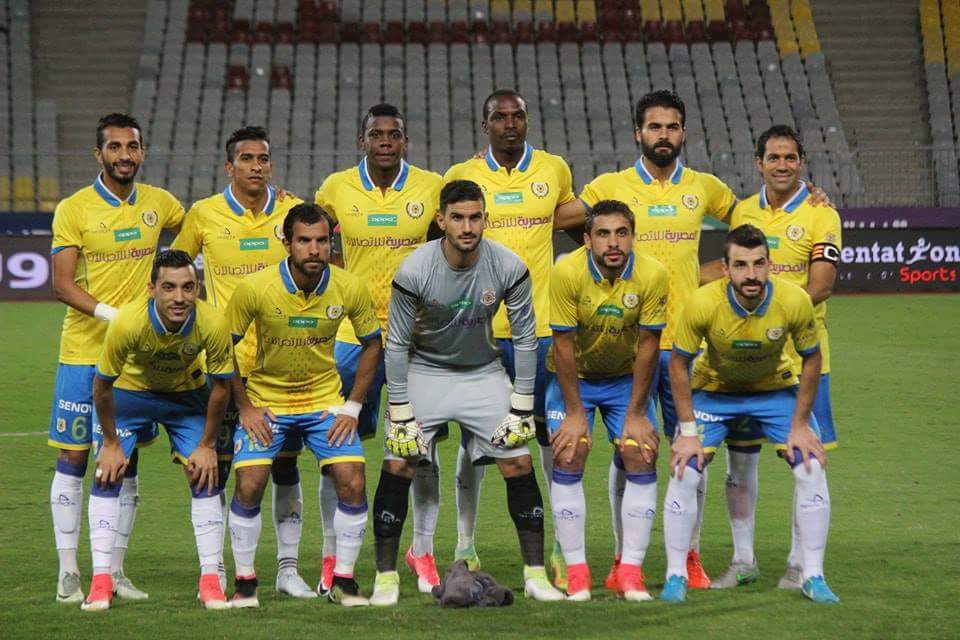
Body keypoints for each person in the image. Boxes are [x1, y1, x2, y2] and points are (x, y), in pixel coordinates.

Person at [369, 180, 564, 606]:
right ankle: (385, 578)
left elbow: (526, 338)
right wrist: (399, 407)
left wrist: (521, 405)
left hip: (483, 373)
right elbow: (396, 344)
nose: (467, 226)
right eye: (457, 217)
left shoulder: (508, 266)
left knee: (518, 461)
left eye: (475, 217)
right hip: (426, 370)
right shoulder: (414, 270)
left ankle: (535, 575)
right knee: (399, 462)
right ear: (441, 220)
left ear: (486, 219)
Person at [444, 90, 581, 588]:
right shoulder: (462, 175)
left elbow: (576, 224)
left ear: (527, 121)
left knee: (547, 438)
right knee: (475, 442)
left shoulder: (553, 169)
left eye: (517, 115)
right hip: (478, 332)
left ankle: (562, 545)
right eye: (499, 117)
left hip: (537, 331)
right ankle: (465, 542)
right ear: (485, 124)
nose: (509, 123)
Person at [661, 224, 838, 604]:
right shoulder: (702, 302)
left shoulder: (793, 300)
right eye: (741, 265)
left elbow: (812, 358)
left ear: (770, 265)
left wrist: (800, 425)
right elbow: (678, 363)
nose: (752, 274)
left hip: (774, 390)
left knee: (810, 466)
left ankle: (813, 575)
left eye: (759, 264)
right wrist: (688, 431)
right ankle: (675, 576)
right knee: (684, 470)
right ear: (725, 269)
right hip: (714, 392)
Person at [172, 125, 313, 597]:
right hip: (222, 363)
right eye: (247, 159)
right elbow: (175, 270)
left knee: (285, 466)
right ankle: (214, 570)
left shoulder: (292, 211)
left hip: (282, 364)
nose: (257, 166)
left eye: (263, 158)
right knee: (216, 466)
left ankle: (288, 570)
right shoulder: (203, 214)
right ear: (229, 166)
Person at [49, 113, 184, 603]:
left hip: (136, 359)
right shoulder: (74, 209)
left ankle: (115, 569)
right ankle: (68, 571)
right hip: (83, 352)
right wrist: (114, 315)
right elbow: (61, 284)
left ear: (142, 152)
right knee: (72, 457)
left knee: (125, 460)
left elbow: (199, 229)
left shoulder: (160, 203)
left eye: (132, 147)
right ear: (99, 154)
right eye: (115, 147)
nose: (124, 155)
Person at [225, 203, 381, 608]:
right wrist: (245, 407)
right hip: (268, 402)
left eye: (322, 241)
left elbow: (372, 344)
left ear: (331, 242)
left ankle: (343, 582)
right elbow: (223, 347)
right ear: (287, 243)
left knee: (353, 479)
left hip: (324, 401)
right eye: (304, 241)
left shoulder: (349, 286)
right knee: (250, 483)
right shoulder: (255, 288)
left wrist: (352, 406)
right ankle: (245, 583)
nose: (314, 250)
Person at [314, 103, 444, 594]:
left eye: (394, 134)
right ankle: (331, 556)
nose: (385, 141)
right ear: (362, 141)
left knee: (422, 451)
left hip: (417, 338)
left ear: (405, 141)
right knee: (336, 450)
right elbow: (309, 241)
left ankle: (423, 552)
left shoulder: (431, 187)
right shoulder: (336, 188)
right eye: (377, 134)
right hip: (353, 337)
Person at [709, 124, 842, 590]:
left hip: (804, 359)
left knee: (807, 462)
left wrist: (771, 318)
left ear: (801, 162)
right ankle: (743, 560)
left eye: (790, 157)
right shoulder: (743, 211)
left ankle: (799, 563)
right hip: (744, 359)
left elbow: (821, 285)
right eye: (774, 157)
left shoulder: (822, 213)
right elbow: (727, 275)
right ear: (758, 163)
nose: (782, 165)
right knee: (740, 461)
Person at [81, 250, 235, 611]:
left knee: (205, 475)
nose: (179, 297)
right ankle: (101, 582)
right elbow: (102, 385)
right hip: (130, 396)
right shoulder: (128, 322)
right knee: (107, 474)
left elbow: (222, 388)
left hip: (185, 397)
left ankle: (210, 582)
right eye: (169, 287)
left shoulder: (213, 322)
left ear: (197, 289)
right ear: (152, 289)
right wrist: (110, 443)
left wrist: (207, 445)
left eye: (187, 287)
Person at [546, 200, 667, 601]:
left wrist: (636, 413)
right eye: (603, 234)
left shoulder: (653, 273)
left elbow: (649, 345)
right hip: (574, 379)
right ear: (587, 239)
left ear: (633, 237)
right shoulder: (567, 272)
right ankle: (577, 571)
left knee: (640, 452)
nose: (613, 243)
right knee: (569, 452)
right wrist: (574, 413)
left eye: (621, 233)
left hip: (623, 380)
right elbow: (562, 344)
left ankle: (629, 571)